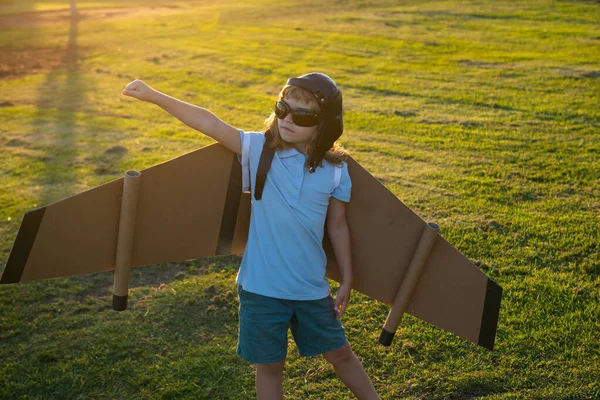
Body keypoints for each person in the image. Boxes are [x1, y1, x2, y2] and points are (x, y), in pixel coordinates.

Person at [121, 73, 380, 400]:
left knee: (340, 354)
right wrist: (154, 95)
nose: (287, 120)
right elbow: (212, 124)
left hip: (310, 289)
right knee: (270, 367)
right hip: (261, 289)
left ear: (325, 126)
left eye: (302, 116)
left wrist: (347, 277)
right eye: (283, 108)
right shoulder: (261, 150)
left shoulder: (336, 172)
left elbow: (338, 226)